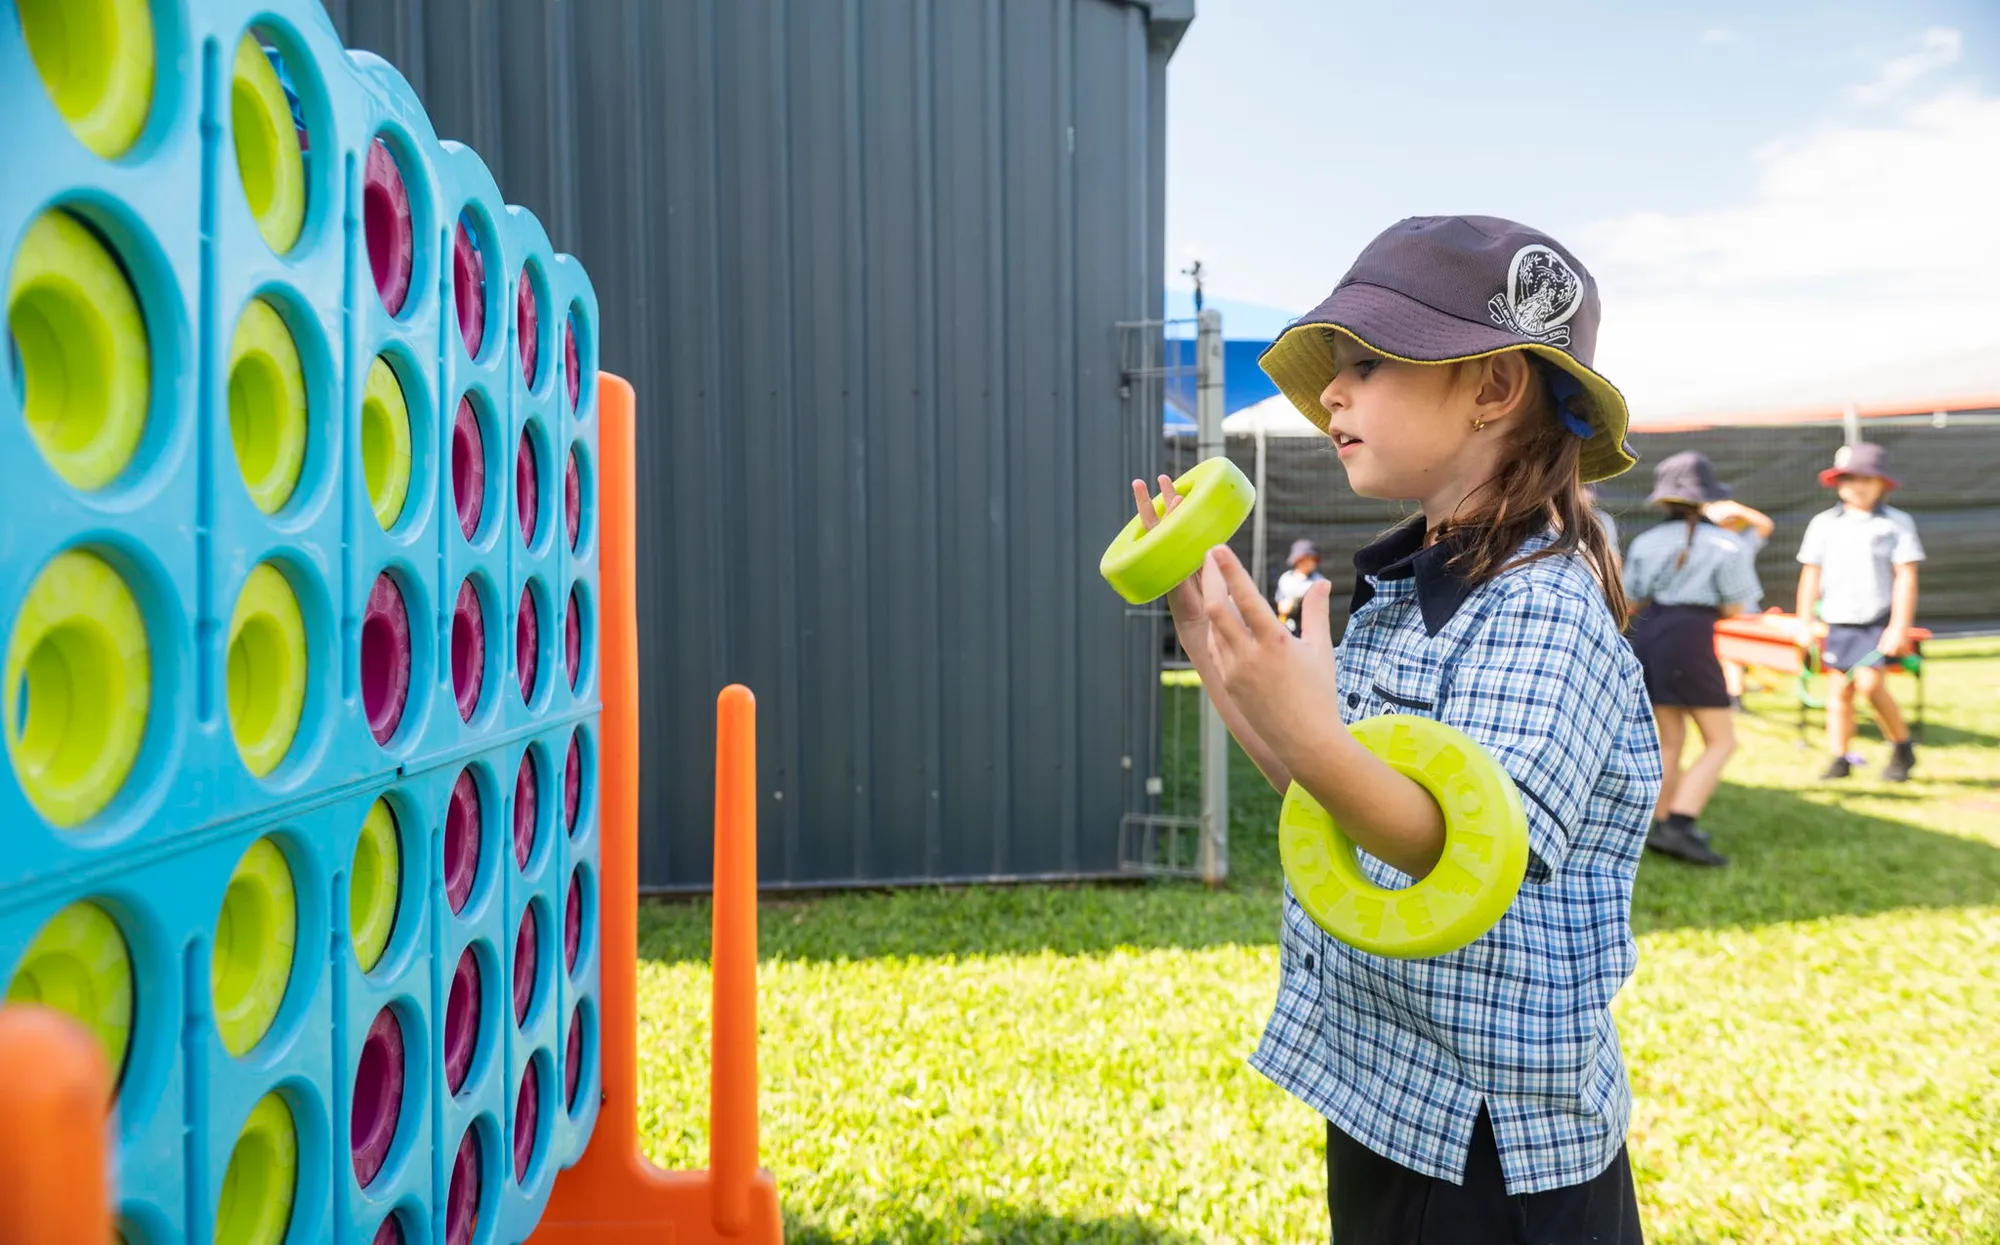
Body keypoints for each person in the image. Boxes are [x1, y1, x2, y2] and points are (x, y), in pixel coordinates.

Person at [1132, 216, 1655, 1243]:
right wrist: (1213, 641)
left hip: (1492, 1148)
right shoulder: (1408, 595)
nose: (1330, 392)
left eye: (1365, 363)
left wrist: (1317, 736)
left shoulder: (1542, 609)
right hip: (1389, 1089)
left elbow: (1462, 850)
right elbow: (1332, 803)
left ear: (1492, 387)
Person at [1621, 452, 1763, 867]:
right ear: (1707, 497)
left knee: (1669, 738)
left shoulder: (1646, 541)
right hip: (1692, 638)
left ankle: (1659, 821)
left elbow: (1629, 599)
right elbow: (1736, 606)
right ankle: (1680, 825)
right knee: (1721, 741)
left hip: (1650, 634)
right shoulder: (1727, 543)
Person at [1794, 443, 1924, 781]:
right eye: (1850, 479)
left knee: (1869, 684)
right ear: (1838, 483)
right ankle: (1841, 758)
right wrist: (1805, 621)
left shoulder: (1896, 524)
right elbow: (1811, 574)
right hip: (1838, 620)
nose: (1858, 486)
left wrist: (1899, 626)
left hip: (1877, 620)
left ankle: (1902, 746)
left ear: (1882, 483)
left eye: (1867, 479)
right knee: (1840, 690)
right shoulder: (1824, 524)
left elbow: (1906, 576)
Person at [1700, 494, 1776, 708]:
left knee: (1733, 653)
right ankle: (1732, 695)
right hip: (1711, 609)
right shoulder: (1704, 542)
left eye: (1733, 521)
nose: (1730, 525)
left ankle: (1735, 697)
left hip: (1742, 609)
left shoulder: (1744, 542)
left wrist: (1737, 509)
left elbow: (1766, 525)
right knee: (1725, 654)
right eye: (1725, 521)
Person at [1273, 538, 1327, 634]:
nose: (1312, 563)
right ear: (1299, 560)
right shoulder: (1287, 579)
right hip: (1290, 628)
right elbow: (1282, 607)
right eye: (1309, 559)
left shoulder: (1318, 579)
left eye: (1314, 559)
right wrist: (1291, 604)